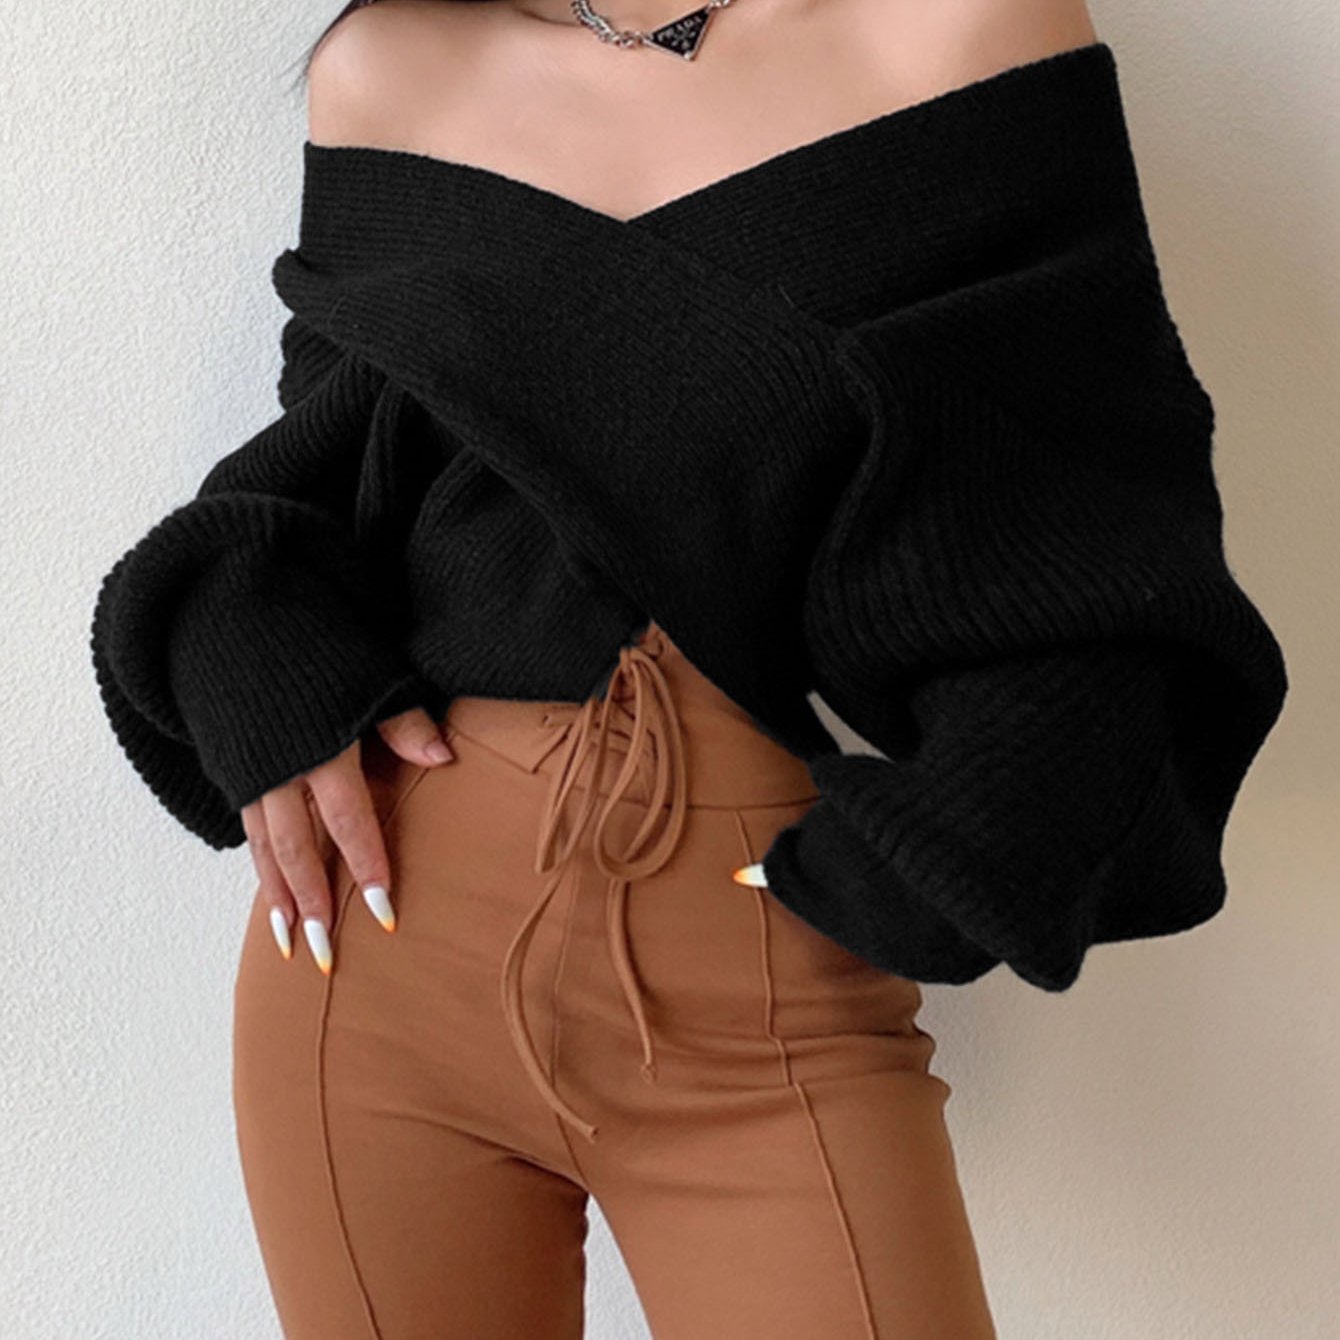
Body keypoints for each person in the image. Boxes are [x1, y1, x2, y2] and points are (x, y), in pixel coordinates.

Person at [88, 0, 1289, 1334]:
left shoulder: (958, 28)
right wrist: (257, 661)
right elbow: (322, 476)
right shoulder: (389, 65)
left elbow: (1094, 528)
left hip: (761, 977)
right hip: (371, 957)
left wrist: (959, 844)